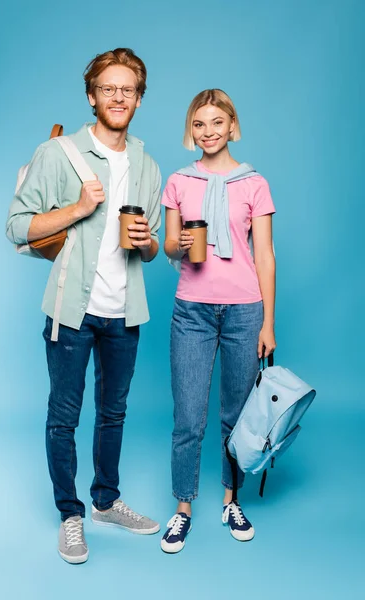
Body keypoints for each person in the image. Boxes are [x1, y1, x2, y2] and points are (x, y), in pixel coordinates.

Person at [6, 48, 162, 564]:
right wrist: (78, 208)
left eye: (128, 89)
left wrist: (145, 242)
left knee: (113, 413)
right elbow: (16, 228)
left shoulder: (147, 164)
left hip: (124, 311)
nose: (118, 97)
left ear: (139, 98)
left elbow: (155, 245)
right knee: (64, 416)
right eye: (108, 88)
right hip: (71, 312)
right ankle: (70, 514)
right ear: (92, 96)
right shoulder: (59, 154)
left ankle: (105, 501)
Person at [160, 89, 276, 553]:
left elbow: (264, 255)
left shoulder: (254, 183)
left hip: (245, 311)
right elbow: (168, 247)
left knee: (236, 416)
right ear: (191, 130)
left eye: (216, 123)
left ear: (232, 125)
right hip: (192, 309)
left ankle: (231, 500)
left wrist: (268, 322)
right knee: (188, 418)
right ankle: (183, 508)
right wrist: (182, 240)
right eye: (199, 124)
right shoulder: (178, 181)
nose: (208, 132)